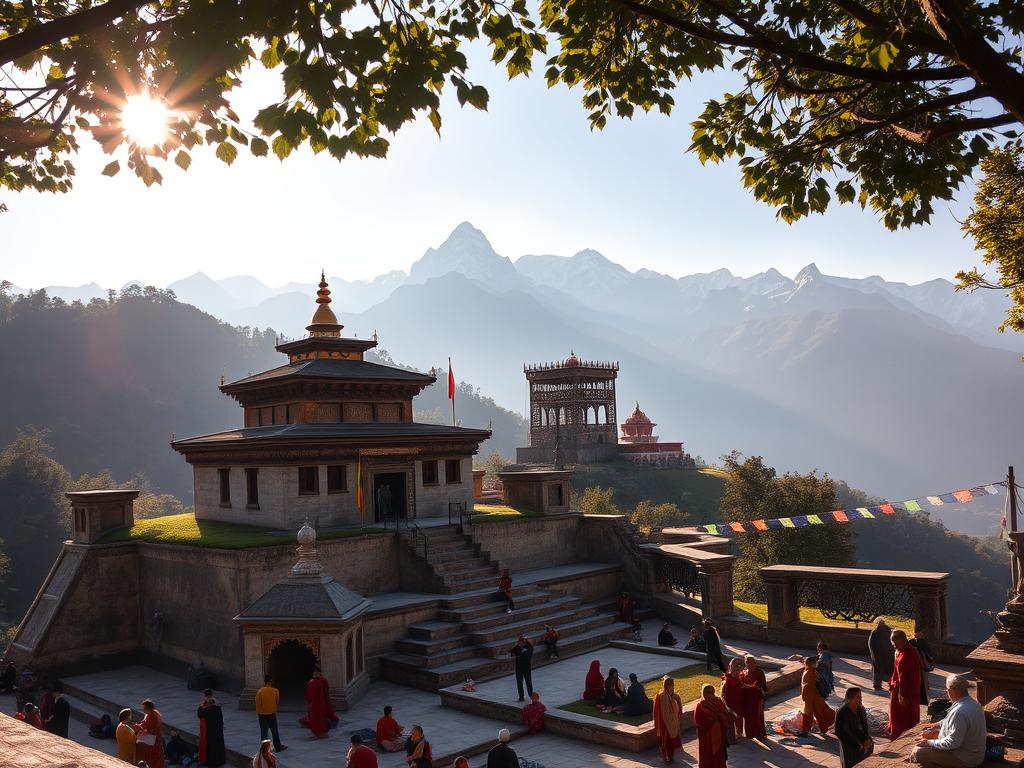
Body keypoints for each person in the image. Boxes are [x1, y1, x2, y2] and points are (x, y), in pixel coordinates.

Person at [911, 675, 987, 768]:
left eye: (946, 689)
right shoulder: (974, 704)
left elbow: (953, 743)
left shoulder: (959, 711)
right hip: (975, 754)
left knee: (918, 752)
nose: (946, 692)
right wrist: (938, 724)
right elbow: (954, 721)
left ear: (951, 690)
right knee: (929, 736)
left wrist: (928, 743)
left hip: (966, 759)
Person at [889, 629, 923, 739]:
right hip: (899, 687)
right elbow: (896, 670)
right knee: (898, 714)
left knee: (903, 715)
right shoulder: (900, 652)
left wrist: (901, 694)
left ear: (903, 640)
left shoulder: (908, 654)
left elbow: (904, 677)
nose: (894, 646)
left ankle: (900, 736)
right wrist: (892, 682)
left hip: (906, 690)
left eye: (896, 643)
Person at [693, 683, 731, 768]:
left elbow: (725, 714)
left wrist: (717, 718)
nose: (710, 695)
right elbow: (698, 721)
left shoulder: (717, 702)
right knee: (711, 755)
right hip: (708, 736)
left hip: (716, 735)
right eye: (708, 693)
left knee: (716, 755)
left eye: (710, 692)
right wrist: (713, 720)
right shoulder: (701, 705)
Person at [836, 687, 874, 768]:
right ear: (850, 698)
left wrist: (866, 740)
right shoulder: (842, 711)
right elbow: (839, 732)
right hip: (849, 745)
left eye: (861, 697)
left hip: (862, 742)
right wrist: (856, 743)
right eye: (858, 697)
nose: (861, 699)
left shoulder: (861, 709)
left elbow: (865, 726)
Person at [799, 656, 835, 736]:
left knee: (809, 713)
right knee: (819, 713)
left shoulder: (811, 672)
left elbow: (809, 683)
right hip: (814, 696)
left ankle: (805, 731)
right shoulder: (812, 671)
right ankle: (823, 729)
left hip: (811, 696)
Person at [653, 676, 683, 764]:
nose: (673, 687)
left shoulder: (669, 694)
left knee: (670, 742)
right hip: (665, 723)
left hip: (670, 722)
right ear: (668, 686)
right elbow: (665, 711)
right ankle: (667, 757)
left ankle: (670, 755)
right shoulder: (663, 696)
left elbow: (675, 707)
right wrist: (670, 722)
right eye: (672, 686)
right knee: (666, 742)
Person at [302, 667, 338, 738]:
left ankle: (322, 733)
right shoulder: (312, 681)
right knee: (315, 719)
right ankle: (319, 733)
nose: (315, 674)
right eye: (314, 673)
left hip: (319, 703)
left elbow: (326, 693)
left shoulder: (322, 681)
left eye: (317, 673)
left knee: (320, 719)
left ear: (320, 673)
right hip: (313, 703)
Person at [739, 655, 768, 740]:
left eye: (752, 662)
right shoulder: (744, 672)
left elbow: (763, 686)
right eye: (748, 662)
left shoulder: (759, 672)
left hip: (756, 698)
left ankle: (759, 734)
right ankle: (750, 734)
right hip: (747, 698)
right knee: (748, 716)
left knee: (757, 716)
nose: (751, 664)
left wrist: (752, 687)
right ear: (746, 663)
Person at [255, 675, 287, 754]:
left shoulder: (260, 691)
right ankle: (277, 747)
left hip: (262, 714)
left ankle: (265, 750)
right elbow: (277, 701)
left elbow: (257, 704)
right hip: (272, 713)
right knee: (274, 731)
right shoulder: (275, 691)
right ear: (270, 681)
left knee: (264, 732)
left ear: (264, 681)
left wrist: (259, 712)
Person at [197, 689, 225, 767]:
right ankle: (220, 761)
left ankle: (211, 762)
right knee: (218, 747)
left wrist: (201, 705)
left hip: (209, 731)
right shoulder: (217, 708)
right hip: (218, 730)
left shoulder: (206, 710)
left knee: (211, 748)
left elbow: (199, 713)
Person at [720, 658, 745, 738]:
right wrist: (726, 706)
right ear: (731, 667)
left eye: (737, 666)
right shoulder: (727, 679)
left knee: (740, 716)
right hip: (731, 702)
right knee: (733, 718)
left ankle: (739, 732)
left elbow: (742, 686)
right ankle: (734, 734)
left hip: (739, 700)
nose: (736, 668)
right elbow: (723, 694)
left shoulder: (739, 676)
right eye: (734, 666)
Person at [868, 618, 895, 691]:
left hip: (878, 654)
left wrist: (873, 653)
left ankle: (877, 684)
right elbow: (891, 642)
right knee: (889, 669)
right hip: (888, 653)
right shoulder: (888, 630)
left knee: (878, 670)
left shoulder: (875, 631)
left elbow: (871, 644)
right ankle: (890, 683)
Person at [137, 699, 166, 768]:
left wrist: (137, 726)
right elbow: (144, 722)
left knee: (153, 758)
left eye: (144, 708)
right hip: (153, 739)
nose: (143, 710)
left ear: (148, 708)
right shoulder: (151, 713)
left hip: (153, 741)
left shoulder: (152, 715)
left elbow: (146, 725)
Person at [910, 631, 936, 705]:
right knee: (922, 684)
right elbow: (929, 652)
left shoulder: (912, 642)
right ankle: (922, 699)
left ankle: (918, 698)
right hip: (921, 666)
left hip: (916, 666)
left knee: (917, 683)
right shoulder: (924, 643)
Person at [510, 634, 534, 702]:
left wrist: (519, 654)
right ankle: (521, 696)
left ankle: (531, 695)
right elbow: (512, 652)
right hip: (518, 668)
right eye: (519, 641)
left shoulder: (528, 647)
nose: (519, 643)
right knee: (519, 683)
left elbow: (528, 654)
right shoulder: (517, 647)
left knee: (528, 682)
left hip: (526, 667)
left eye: (521, 641)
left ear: (524, 642)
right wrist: (517, 649)